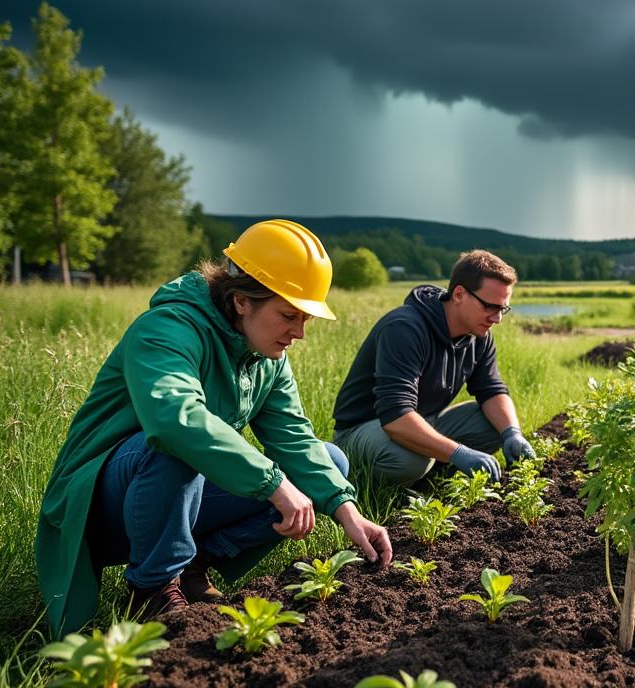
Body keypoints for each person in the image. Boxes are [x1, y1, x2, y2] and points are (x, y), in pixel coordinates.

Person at [37, 220, 394, 635]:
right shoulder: (167, 329)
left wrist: (346, 510)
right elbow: (175, 420)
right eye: (288, 315)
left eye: (305, 319)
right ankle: (150, 588)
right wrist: (274, 483)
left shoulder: (267, 358)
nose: (298, 332)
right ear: (242, 300)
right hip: (100, 503)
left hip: (173, 493)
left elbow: (295, 437)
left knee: (330, 459)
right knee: (175, 448)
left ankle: (193, 563)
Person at [332, 249, 535, 487]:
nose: (497, 318)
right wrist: (458, 453)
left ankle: (425, 476)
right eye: (490, 306)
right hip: (364, 431)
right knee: (412, 460)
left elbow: (491, 390)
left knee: (496, 424)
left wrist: (512, 433)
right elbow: (395, 416)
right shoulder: (405, 329)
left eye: (503, 309)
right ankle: (362, 483)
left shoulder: (478, 334)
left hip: (421, 420)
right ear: (459, 294)